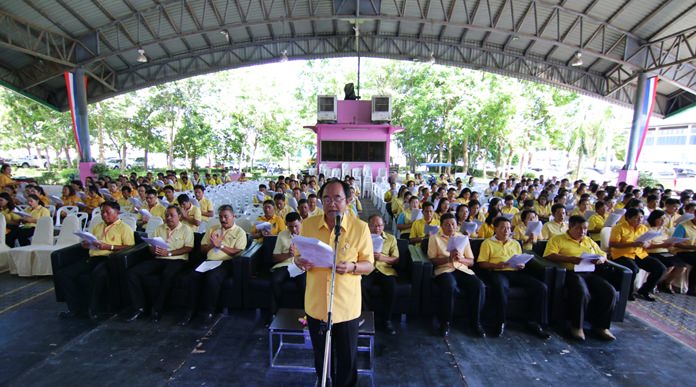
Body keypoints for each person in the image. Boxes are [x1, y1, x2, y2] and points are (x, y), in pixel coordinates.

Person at [294, 179, 373, 387]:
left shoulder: (360, 228)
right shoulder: (309, 224)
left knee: (347, 359)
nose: (331, 203)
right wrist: (298, 261)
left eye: (337, 198)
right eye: (326, 198)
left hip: (346, 307)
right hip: (317, 305)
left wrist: (353, 267)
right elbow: (297, 255)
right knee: (322, 357)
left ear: (348, 200)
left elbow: (369, 265)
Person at [54, 201, 135, 319]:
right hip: (93, 257)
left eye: (108, 212)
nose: (104, 215)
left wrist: (109, 247)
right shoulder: (98, 226)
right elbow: (92, 240)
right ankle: (75, 308)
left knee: (97, 275)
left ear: (117, 212)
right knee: (64, 274)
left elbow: (130, 247)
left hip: (109, 259)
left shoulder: (124, 228)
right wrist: (86, 244)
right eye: (102, 212)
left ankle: (94, 309)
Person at [543, 215, 617, 341]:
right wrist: (570, 259)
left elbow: (603, 254)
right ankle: (577, 326)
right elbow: (549, 255)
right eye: (579, 229)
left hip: (589, 272)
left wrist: (600, 259)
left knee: (609, 291)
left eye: (585, 229)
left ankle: (601, 326)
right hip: (570, 272)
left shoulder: (588, 240)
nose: (582, 231)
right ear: (570, 227)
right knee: (582, 292)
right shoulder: (558, 239)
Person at [477, 217, 550, 339]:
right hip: (498, 271)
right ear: (495, 228)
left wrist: (522, 264)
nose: (506, 230)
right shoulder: (487, 243)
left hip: (515, 271)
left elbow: (520, 259)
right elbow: (481, 263)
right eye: (503, 227)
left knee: (541, 287)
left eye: (508, 228)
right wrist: (497, 265)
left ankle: (534, 323)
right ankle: (499, 322)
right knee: (501, 288)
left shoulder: (515, 243)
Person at [181, 205, 248, 328]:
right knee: (192, 277)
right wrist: (213, 245)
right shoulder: (213, 229)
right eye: (221, 217)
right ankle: (190, 311)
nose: (223, 220)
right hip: (209, 261)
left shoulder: (240, 232)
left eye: (226, 217)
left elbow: (237, 252)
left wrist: (220, 245)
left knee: (212, 279)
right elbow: (202, 248)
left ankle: (208, 313)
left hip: (226, 262)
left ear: (234, 217)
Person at [125, 205, 194, 322]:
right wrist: (154, 250)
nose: (169, 218)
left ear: (180, 216)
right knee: (133, 273)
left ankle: (157, 309)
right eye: (167, 215)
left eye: (172, 215)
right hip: (158, 259)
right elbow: (151, 246)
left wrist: (170, 253)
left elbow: (188, 248)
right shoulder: (159, 228)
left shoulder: (186, 229)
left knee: (167, 275)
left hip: (176, 260)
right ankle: (140, 308)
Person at [427, 213, 485, 337]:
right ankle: (445, 322)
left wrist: (460, 259)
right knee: (449, 285)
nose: (450, 227)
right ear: (441, 226)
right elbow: (432, 260)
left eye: (453, 224)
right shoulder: (434, 238)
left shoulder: (463, 238)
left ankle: (475, 322)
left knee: (478, 285)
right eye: (447, 224)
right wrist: (448, 259)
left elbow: (471, 261)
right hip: (444, 269)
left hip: (462, 269)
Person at [609, 207, 666, 301]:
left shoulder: (643, 228)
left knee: (660, 268)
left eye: (642, 217)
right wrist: (632, 244)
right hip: (622, 254)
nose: (639, 220)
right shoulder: (619, 227)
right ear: (628, 218)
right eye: (636, 217)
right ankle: (627, 292)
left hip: (639, 254)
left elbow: (648, 243)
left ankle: (645, 290)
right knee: (633, 268)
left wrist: (645, 244)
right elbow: (613, 244)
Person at [362, 214, 399, 335]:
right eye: (374, 226)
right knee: (362, 286)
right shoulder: (363, 238)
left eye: (380, 226)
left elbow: (395, 259)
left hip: (385, 269)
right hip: (369, 269)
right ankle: (367, 318)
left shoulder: (391, 238)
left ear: (383, 226)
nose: (377, 229)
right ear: (368, 226)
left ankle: (387, 320)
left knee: (391, 287)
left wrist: (382, 258)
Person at [270, 212, 306, 315]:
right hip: (284, 264)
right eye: (290, 227)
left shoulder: (307, 233)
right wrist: (289, 254)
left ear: (301, 222)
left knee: (304, 285)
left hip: (300, 265)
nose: (294, 229)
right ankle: (275, 313)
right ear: (286, 225)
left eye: (296, 226)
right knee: (275, 281)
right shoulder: (282, 235)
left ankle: (305, 314)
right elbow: (275, 257)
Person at [645, 209, 684, 294]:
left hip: (665, 251)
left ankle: (667, 283)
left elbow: (667, 241)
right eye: (660, 219)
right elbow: (647, 246)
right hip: (653, 252)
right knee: (666, 265)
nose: (663, 221)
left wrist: (671, 243)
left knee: (681, 265)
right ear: (654, 219)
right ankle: (653, 284)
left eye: (664, 219)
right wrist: (661, 245)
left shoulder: (664, 230)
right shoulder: (647, 229)